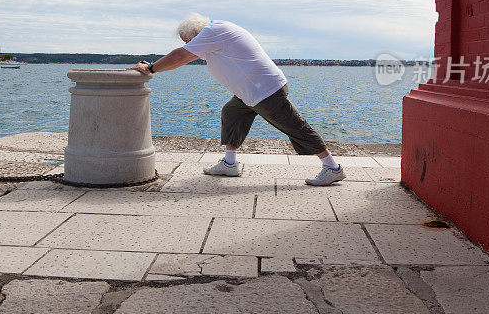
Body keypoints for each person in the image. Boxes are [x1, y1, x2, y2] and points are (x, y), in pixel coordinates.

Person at [128, 13, 345, 186]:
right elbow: (186, 56)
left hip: (264, 91)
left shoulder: (213, 31)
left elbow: (180, 56)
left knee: (295, 126)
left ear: (194, 34)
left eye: (188, 41)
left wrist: (150, 68)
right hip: (250, 92)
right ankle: (230, 164)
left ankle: (332, 168)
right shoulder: (217, 30)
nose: (189, 45)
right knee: (232, 112)